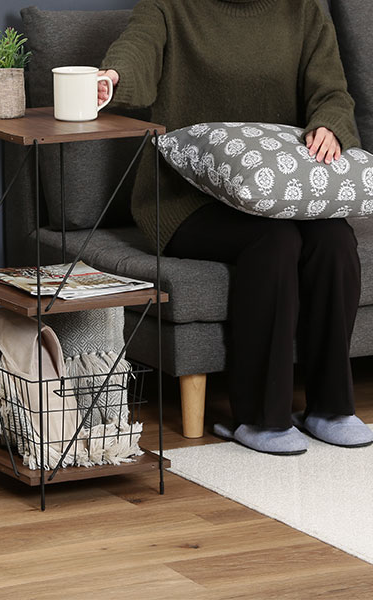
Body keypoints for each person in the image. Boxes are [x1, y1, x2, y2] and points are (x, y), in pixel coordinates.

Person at [97, 0, 373, 455]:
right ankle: (261, 418)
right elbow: (138, 48)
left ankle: (330, 409)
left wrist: (329, 125)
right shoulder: (169, 5)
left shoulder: (302, 10)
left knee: (335, 240)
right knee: (275, 240)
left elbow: (332, 93)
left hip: (278, 192)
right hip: (186, 199)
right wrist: (112, 77)